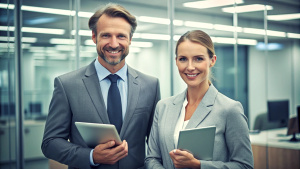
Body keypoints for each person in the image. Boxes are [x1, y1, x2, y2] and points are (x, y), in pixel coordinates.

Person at [41, 3, 160, 169]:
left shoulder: (150, 85)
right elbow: (50, 143)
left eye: (121, 36)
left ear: (130, 39)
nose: (113, 43)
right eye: (106, 36)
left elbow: (156, 145)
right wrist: (91, 156)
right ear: (94, 37)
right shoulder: (67, 85)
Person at [145, 30, 254, 169]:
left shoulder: (229, 109)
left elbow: (245, 166)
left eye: (198, 58)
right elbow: (152, 158)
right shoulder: (163, 107)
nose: (190, 67)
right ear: (176, 61)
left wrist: (198, 165)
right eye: (183, 59)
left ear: (212, 61)